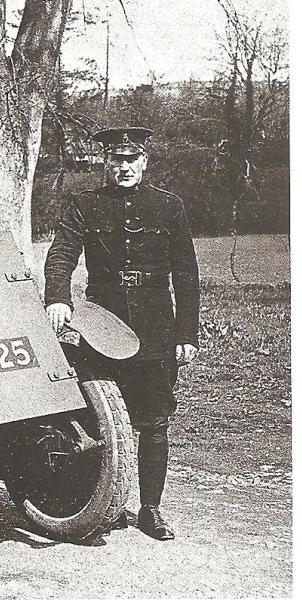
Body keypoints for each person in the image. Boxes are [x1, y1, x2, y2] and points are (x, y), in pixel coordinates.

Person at [43, 126, 200, 541]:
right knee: (99, 420)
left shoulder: (169, 207)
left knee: (154, 423)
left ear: (144, 162)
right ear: (106, 164)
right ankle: (99, 508)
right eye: (117, 160)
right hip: (102, 326)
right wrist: (58, 298)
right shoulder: (84, 205)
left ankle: (150, 510)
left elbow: (186, 275)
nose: (125, 167)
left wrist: (187, 333)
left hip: (156, 329)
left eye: (132, 160)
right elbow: (60, 255)